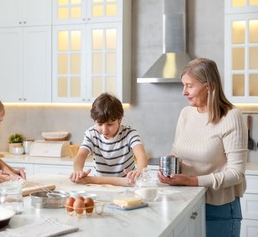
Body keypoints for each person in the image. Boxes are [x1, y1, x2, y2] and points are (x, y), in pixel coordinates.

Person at [157, 58, 247, 237]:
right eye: (184, 86)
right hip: (185, 203)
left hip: (218, 209)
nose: (184, 92)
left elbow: (236, 173)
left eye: (189, 86)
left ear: (209, 86)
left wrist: (192, 180)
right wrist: (170, 165)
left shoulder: (231, 116)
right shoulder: (186, 113)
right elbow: (178, 152)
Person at [70, 92, 148, 186]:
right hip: (100, 184)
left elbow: (141, 155)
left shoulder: (129, 133)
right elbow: (81, 155)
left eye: (110, 124)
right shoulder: (91, 133)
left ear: (119, 119)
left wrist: (139, 171)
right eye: (99, 124)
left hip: (125, 183)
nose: (104, 129)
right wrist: (78, 170)